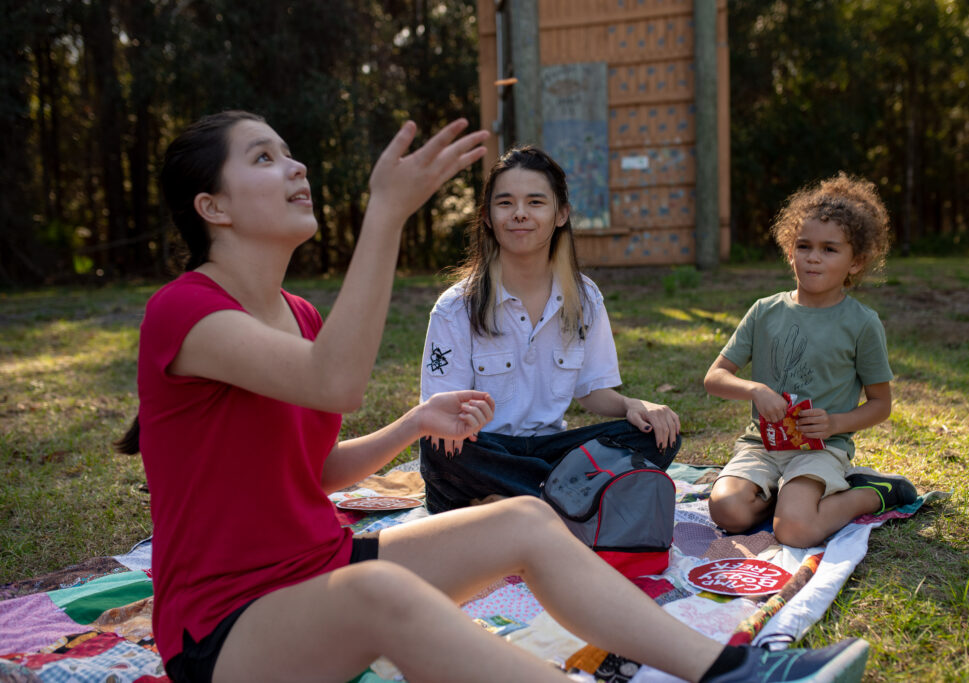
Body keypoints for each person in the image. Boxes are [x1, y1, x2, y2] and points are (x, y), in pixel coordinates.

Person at [116, 110, 871, 683]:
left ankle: (734, 672)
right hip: (222, 629)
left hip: (319, 564)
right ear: (212, 206)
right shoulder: (183, 312)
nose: (295, 166)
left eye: (288, 151)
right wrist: (386, 213)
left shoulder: (301, 317)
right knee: (381, 589)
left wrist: (412, 422)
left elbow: (315, 473)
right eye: (263, 157)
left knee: (527, 517)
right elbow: (334, 381)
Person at [418, 145, 681, 513]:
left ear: (561, 214)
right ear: (489, 217)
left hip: (555, 451)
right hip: (485, 450)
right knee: (437, 450)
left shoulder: (585, 298)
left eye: (535, 202)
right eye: (505, 203)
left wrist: (633, 405)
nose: (520, 214)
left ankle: (509, 503)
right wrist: (457, 425)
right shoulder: (455, 307)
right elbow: (436, 417)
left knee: (661, 437)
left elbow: (592, 392)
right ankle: (568, 500)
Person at [704, 173, 918, 549]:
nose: (814, 257)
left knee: (796, 532)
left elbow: (881, 404)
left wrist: (835, 422)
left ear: (856, 262)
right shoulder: (765, 311)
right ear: (790, 251)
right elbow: (715, 377)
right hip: (761, 445)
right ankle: (783, 499)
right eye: (804, 246)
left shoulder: (862, 323)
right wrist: (755, 389)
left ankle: (873, 492)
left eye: (830, 249)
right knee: (726, 511)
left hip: (822, 449)